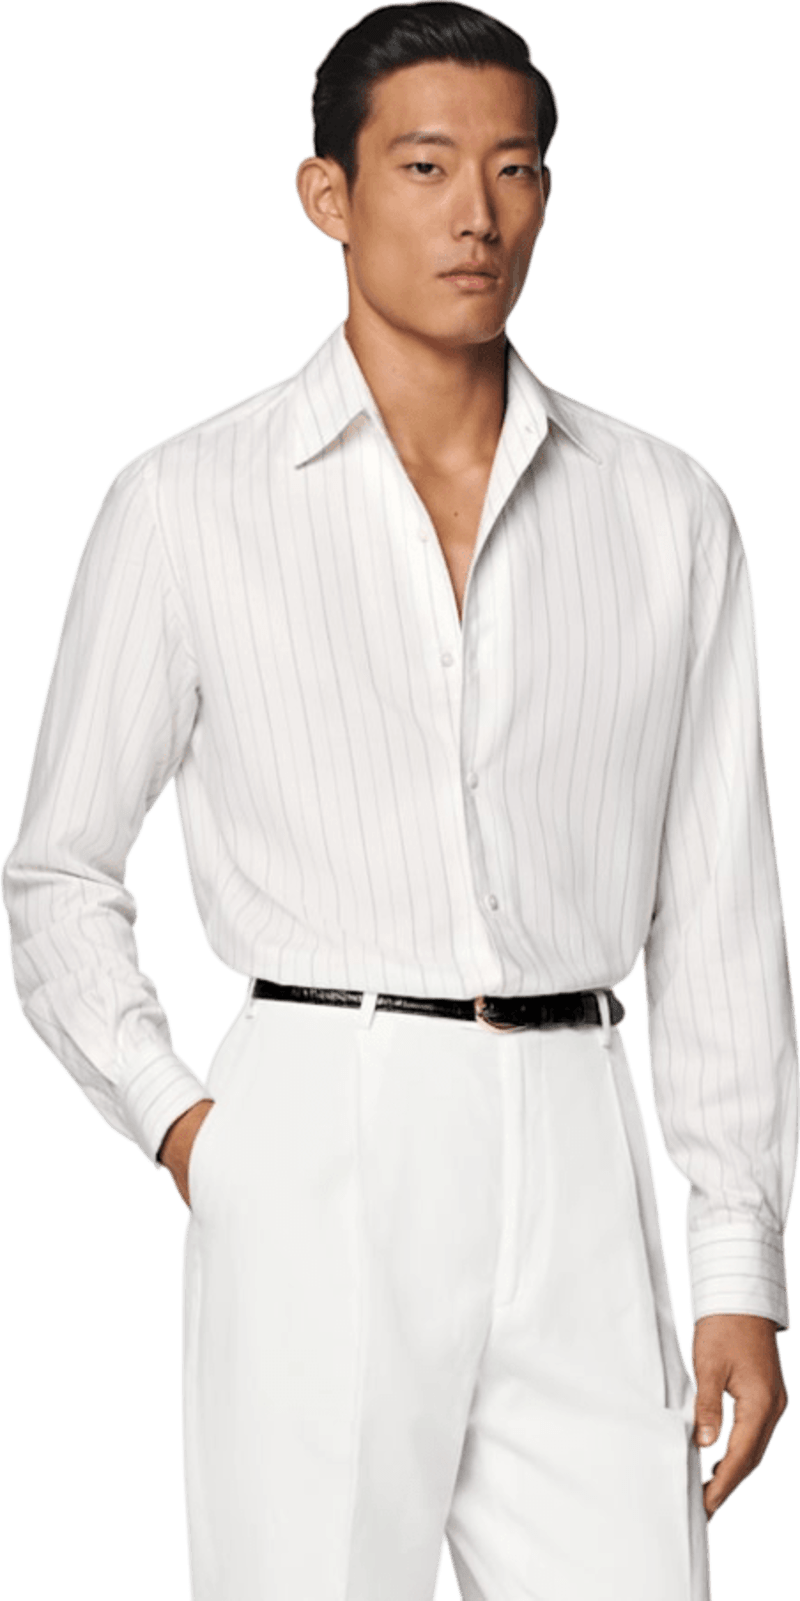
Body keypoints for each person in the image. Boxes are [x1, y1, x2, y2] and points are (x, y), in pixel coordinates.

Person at [2, 1, 797, 1596]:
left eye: (516, 169)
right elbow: (60, 872)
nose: (477, 215)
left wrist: (738, 1258)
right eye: (426, 166)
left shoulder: (666, 510)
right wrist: (189, 1129)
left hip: (581, 1129)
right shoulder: (184, 503)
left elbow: (720, 899)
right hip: (319, 1117)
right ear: (330, 195)